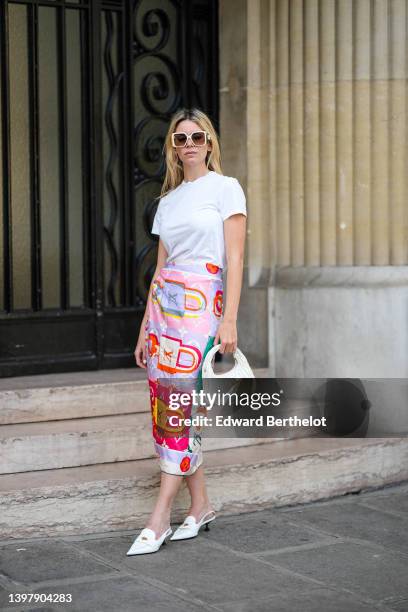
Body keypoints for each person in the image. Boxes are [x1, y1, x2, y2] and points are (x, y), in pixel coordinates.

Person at [127, 107, 247, 555]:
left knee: (179, 405)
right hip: (163, 314)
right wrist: (143, 329)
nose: (190, 144)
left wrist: (229, 317)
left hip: (202, 311)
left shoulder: (226, 189)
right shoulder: (168, 201)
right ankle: (200, 505)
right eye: (181, 138)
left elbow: (234, 259)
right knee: (169, 405)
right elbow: (159, 270)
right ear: (173, 148)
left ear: (210, 142)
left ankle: (159, 517)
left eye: (197, 136)